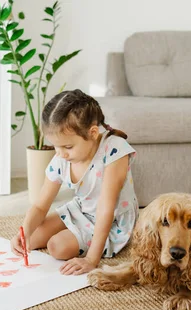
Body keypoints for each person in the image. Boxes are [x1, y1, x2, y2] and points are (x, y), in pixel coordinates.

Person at [11, 89, 138, 275]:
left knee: (56, 246)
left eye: (67, 147)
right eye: (56, 146)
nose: (60, 153)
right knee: (32, 237)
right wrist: (24, 232)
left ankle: (89, 242)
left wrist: (91, 259)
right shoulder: (62, 158)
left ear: (93, 133)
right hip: (81, 209)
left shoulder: (114, 151)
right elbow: (40, 206)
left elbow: (106, 208)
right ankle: (63, 233)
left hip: (111, 219)